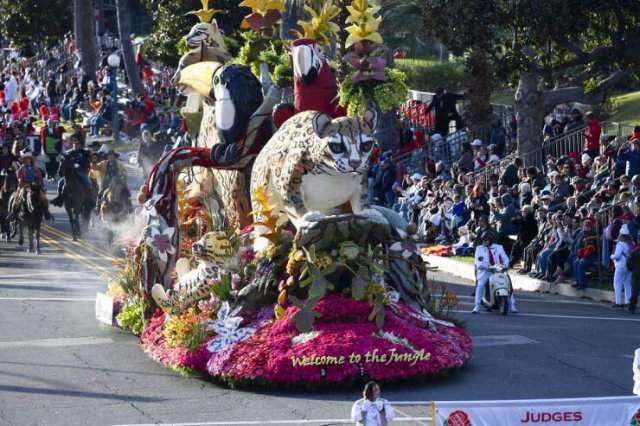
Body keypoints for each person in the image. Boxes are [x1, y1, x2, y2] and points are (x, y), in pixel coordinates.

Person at [473, 231, 517, 313]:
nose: (484, 241)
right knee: (481, 284)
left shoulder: (499, 247)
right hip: (486, 271)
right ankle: (477, 306)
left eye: (487, 240)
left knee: (508, 284)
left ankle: (512, 305)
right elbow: (478, 262)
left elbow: (505, 258)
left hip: (498, 270)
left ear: (491, 240)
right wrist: (486, 267)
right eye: (483, 240)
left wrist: (505, 265)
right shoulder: (479, 249)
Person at [9, 149, 52, 220]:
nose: (27, 161)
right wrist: (21, 180)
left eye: (29, 160)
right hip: (24, 186)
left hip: (35, 186)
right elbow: (18, 176)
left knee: (44, 197)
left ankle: (46, 211)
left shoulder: (36, 169)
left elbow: (40, 178)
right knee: (17, 197)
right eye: (26, 160)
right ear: (24, 161)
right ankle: (13, 212)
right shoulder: (21, 169)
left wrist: (39, 182)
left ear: (31, 160)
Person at [51, 136, 91, 207]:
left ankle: (89, 198)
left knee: (87, 181)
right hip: (70, 172)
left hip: (80, 171)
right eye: (74, 144)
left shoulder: (85, 153)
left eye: (77, 144)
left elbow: (87, 162)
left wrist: (80, 166)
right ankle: (60, 198)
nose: (75, 145)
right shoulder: (68, 153)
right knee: (60, 183)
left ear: (80, 145)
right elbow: (64, 162)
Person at [91, 146, 131, 212]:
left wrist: (123, 179)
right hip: (106, 183)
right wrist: (93, 163)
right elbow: (95, 168)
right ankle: (97, 207)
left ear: (115, 157)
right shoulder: (103, 163)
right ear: (107, 157)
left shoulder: (119, 164)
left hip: (118, 183)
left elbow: (125, 173)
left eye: (112, 156)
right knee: (100, 193)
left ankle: (129, 206)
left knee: (126, 192)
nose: (111, 157)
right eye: (109, 156)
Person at [611, 224, 634, 308]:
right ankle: (628, 301)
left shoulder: (620, 244)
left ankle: (618, 302)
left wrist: (611, 256)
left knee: (617, 283)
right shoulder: (631, 243)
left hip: (621, 266)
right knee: (627, 283)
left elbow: (617, 255)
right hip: (629, 266)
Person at [627, 243, 640, 314]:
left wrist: (632, 269)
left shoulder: (634, 252)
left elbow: (629, 264)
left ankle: (631, 308)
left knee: (634, 293)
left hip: (636, 275)